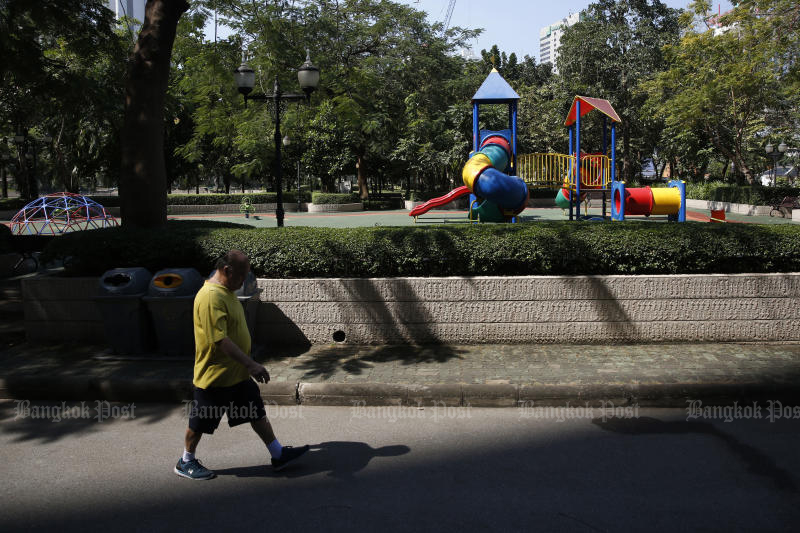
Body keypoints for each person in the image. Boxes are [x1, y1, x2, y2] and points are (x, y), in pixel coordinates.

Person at [174, 250, 308, 480]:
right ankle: (185, 460)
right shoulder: (210, 297)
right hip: (216, 376)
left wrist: (246, 366)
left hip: (237, 373)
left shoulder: (227, 291)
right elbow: (220, 340)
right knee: (200, 422)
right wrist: (252, 364)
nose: (244, 280)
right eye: (242, 275)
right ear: (227, 270)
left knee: (255, 412)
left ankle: (277, 454)